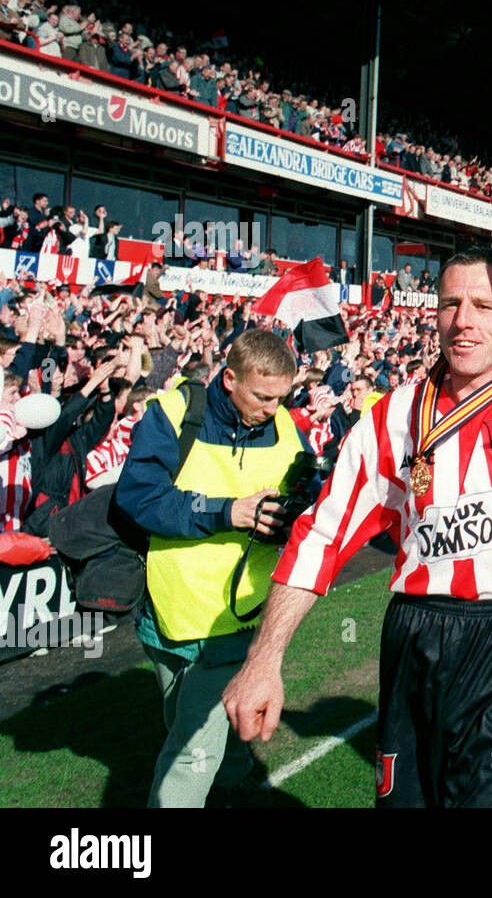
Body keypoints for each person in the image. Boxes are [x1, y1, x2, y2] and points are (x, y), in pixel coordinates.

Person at [222, 240, 492, 808]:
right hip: (419, 636)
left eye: (485, 307)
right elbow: (321, 534)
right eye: (450, 303)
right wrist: (264, 659)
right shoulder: (392, 417)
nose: (463, 321)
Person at [114, 328, 311, 807]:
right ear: (229, 380)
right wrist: (226, 512)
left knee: (188, 750)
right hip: (167, 611)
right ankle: (235, 771)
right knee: (182, 721)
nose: (274, 409)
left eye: (282, 397)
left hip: (236, 618)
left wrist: (290, 516)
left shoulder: (287, 426)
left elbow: (304, 508)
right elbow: (137, 499)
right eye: (263, 397)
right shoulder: (172, 414)